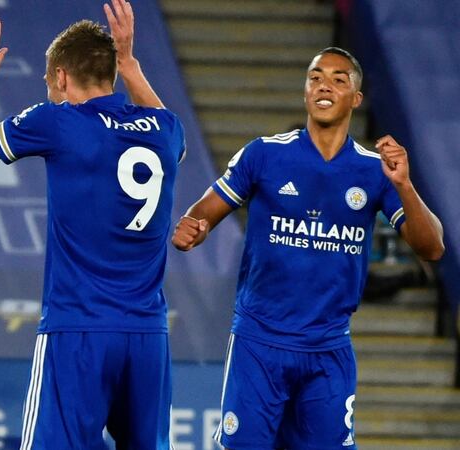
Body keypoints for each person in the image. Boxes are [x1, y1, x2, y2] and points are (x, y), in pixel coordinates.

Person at [171, 47, 444, 449]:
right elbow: (203, 213)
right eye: (315, 78)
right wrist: (194, 227)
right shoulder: (264, 153)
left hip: (327, 351)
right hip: (259, 344)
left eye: (338, 79)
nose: (324, 86)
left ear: (356, 98)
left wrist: (404, 185)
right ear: (305, 92)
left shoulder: (374, 171)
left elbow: (432, 247)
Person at [0, 1, 185, 448]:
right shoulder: (165, 130)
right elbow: (176, 140)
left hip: (78, 329)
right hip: (147, 334)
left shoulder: (59, 121)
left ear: (60, 77)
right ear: (113, 72)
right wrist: (130, 64)